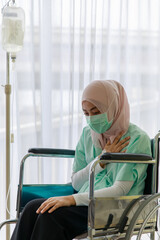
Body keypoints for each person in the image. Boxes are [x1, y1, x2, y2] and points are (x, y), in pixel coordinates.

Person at [11, 80, 151, 240]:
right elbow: (77, 183)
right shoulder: (88, 134)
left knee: (50, 216)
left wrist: (71, 199)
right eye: (86, 113)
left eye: (96, 111)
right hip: (86, 201)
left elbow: (120, 190)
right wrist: (100, 162)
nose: (91, 118)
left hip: (114, 207)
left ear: (112, 107)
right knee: (32, 209)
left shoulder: (137, 139)